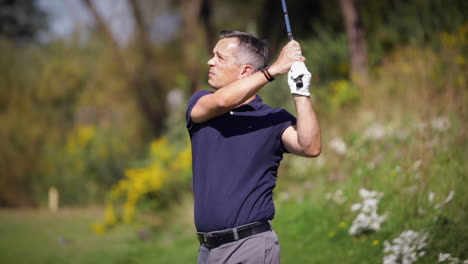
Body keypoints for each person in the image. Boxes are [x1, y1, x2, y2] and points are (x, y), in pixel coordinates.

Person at [186, 30, 321, 264]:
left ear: (245, 72)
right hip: (207, 251)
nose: (211, 61)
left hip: (250, 247)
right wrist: (273, 70)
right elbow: (222, 101)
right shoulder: (201, 104)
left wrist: (301, 93)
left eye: (220, 57)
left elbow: (309, 146)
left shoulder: (272, 118)